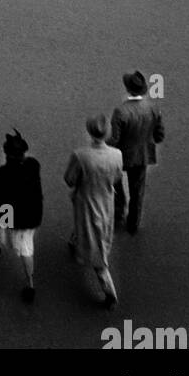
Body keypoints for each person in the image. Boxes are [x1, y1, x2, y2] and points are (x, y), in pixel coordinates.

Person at [64, 114, 123, 308]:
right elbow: (116, 178)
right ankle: (75, 240)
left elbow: (70, 179)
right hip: (106, 201)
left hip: (87, 201)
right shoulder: (117, 154)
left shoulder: (81, 155)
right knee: (98, 230)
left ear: (89, 132)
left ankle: (109, 292)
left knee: (96, 250)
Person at [0, 129, 43, 304]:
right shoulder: (33, 165)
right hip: (31, 214)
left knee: (0, 224)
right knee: (25, 247)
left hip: (9, 212)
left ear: (6, 154)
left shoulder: (1, 173)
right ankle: (29, 284)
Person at [109, 71, 165, 236]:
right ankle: (133, 223)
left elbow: (114, 139)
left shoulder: (120, 111)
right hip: (142, 155)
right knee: (137, 190)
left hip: (121, 156)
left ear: (127, 88)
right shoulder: (153, 108)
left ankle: (119, 211)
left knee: (116, 183)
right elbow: (159, 135)